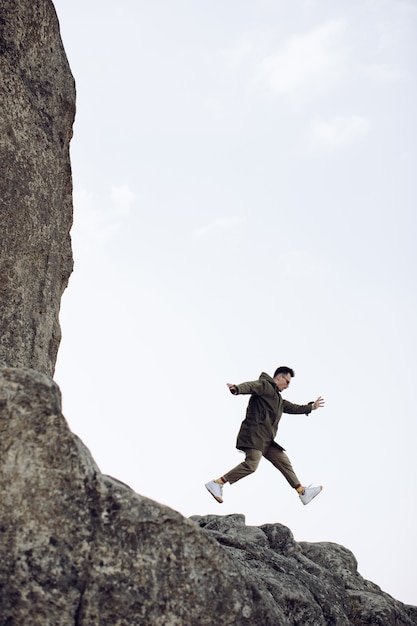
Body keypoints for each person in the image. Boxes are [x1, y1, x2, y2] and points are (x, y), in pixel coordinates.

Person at [205, 366, 325, 506]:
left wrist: (311, 407)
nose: (288, 386)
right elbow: (252, 386)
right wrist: (237, 389)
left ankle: (302, 492)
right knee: (252, 465)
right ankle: (217, 483)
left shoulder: (278, 400)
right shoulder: (265, 386)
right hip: (254, 435)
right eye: (287, 382)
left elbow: (294, 408)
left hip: (267, 441)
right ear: (279, 377)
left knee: (283, 461)